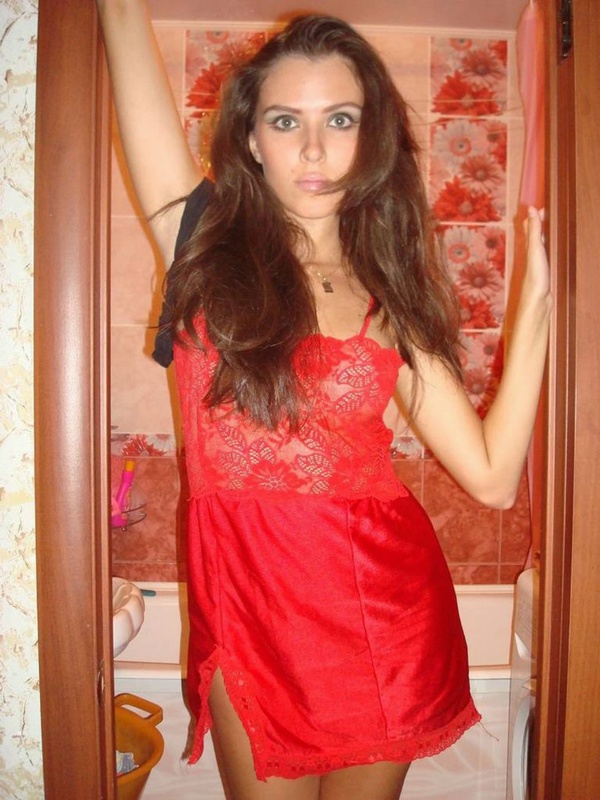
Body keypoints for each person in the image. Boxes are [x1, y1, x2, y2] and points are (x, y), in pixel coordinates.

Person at [97, 3, 551, 799]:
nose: (313, 149)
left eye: (340, 119)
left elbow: (491, 478)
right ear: (251, 139)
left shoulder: (388, 295)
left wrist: (538, 306)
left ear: (370, 138)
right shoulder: (201, 239)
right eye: (285, 121)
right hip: (250, 615)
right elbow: (122, 23)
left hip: (386, 617)